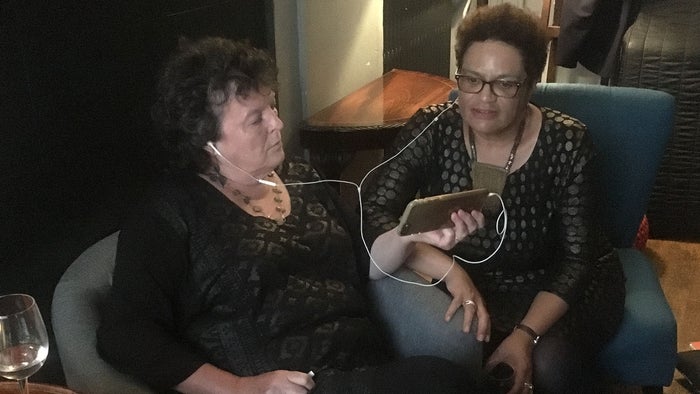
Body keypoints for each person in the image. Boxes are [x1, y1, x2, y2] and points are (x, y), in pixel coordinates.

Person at [96, 37, 475, 394]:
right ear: (206, 141)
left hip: (364, 372)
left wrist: (412, 236)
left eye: (272, 107)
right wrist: (239, 388)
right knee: (439, 381)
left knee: (446, 380)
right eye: (256, 119)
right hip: (291, 387)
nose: (277, 123)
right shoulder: (169, 213)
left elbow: (368, 262)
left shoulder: (302, 177)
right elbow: (125, 335)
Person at [362, 4, 625, 394]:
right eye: (472, 79)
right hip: (473, 279)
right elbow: (374, 211)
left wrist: (525, 336)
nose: (484, 98)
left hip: (554, 284)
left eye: (504, 84)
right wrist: (449, 270)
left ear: (530, 83)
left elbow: (577, 259)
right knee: (456, 361)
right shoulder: (433, 128)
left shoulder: (569, 143)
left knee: (552, 363)